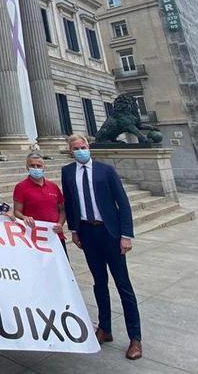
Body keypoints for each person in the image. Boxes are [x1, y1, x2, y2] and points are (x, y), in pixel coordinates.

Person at [61, 134, 142, 361]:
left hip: (110, 233)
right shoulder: (67, 172)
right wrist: (75, 230)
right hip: (88, 233)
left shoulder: (106, 170)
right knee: (99, 283)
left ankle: (135, 337)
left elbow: (122, 203)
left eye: (82, 147)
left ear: (89, 147)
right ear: (71, 151)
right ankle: (104, 328)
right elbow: (70, 202)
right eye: (75, 148)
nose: (80, 151)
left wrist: (125, 235)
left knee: (123, 285)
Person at [13, 153, 66, 256]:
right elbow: (17, 211)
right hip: (34, 237)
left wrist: (60, 223)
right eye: (32, 165)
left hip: (55, 235)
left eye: (39, 165)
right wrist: (24, 217)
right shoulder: (20, 187)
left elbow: (62, 209)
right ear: (27, 167)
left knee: (62, 269)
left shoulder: (53, 187)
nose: (36, 168)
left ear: (44, 167)